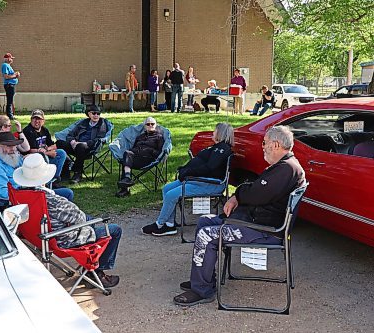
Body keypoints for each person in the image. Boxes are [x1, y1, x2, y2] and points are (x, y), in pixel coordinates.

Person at [172, 126, 305, 306]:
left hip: (264, 230)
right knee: (204, 221)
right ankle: (203, 280)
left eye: (264, 143)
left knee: (207, 235)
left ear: (276, 145)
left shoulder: (286, 169)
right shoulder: (285, 165)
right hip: (255, 221)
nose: (262, 147)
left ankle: (201, 290)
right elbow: (256, 189)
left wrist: (238, 195)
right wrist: (238, 195)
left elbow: (256, 194)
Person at [13, 153, 122, 288]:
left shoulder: (19, 194)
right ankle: (95, 272)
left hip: (37, 237)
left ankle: (92, 268)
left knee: (90, 220)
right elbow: (79, 218)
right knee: (114, 230)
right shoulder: (53, 200)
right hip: (62, 241)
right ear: (44, 178)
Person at [141, 123, 234, 237]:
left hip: (209, 183)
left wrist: (188, 172)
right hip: (200, 179)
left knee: (171, 195)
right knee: (166, 189)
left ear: (221, 133)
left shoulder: (222, 149)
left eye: (215, 131)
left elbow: (209, 168)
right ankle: (169, 225)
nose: (213, 133)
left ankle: (159, 224)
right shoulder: (218, 147)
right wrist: (185, 170)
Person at [0, 132, 73, 210]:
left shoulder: (16, 157)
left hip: (33, 191)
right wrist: (29, 192)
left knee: (67, 194)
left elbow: (29, 174)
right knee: (66, 197)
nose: (13, 149)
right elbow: (4, 194)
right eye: (9, 146)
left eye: (14, 145)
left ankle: (63, 219)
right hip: (20, 203)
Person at [116, 117, 164, 197]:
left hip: (148, 159)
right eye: (148, 124)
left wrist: (149, 150)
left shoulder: (159, 137)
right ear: (144, 126)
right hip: (135, 158)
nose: (150, 125)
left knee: (127, 162)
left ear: (156, 125)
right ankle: (126, 182)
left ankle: (125, 186)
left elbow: (159, 152)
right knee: (127, 155)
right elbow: (133, 148)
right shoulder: (140, 137)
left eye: (152, 124)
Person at [64, 108, 111, 184]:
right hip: (75, 145)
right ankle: (65, 169)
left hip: (90, 147)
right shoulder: (83, 122)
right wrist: (73, 141)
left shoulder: (102, 123)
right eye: (94, 113)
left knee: (81, 147)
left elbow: (99, 139)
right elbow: (71, 134)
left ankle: (78, 173)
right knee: (59, 143)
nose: (96, 115)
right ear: (88, 114)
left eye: (98, 113)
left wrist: (85, 143)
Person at [22, 109, 67, 186]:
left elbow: (52, 145)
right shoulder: (28, 131)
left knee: (61, 152)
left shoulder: (44, 130)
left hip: (43, 154)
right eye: (34, 118)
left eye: (39, 119)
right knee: (49, 156)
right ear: (31, 119)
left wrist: (48, 149)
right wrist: (47, 153)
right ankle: (48, 182)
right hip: (32, 159)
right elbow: (30, 150)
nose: (36, 121)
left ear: (43, 121)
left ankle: (54, 179)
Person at [1, 53, 20, 120]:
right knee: (9, 101)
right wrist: (15, 75)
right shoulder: (5, 65)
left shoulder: (8, 66)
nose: (12, 59)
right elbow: (6, 76)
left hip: (11, 85)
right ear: (7, 58)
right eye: (11, 58)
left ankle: (10, 114)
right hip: (9, 85)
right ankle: (9, 115)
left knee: (10, 100)